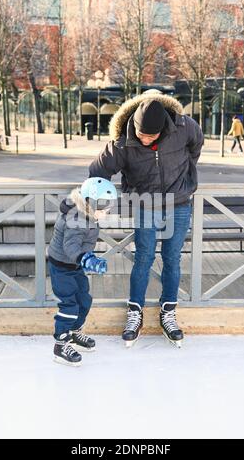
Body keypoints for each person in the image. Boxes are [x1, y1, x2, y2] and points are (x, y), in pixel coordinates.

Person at [89, 95, 204, 348]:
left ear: (163, 129)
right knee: (144, 257)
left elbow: (196, 146)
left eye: (150, 136)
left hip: (179, 204)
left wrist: (187, 174)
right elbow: (98, 171)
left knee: (173, 258)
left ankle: (168, 311)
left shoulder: (185, 127)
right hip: (145, 206)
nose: (144, 139)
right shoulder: (122, 143)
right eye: (141, 134)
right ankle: (135, 311)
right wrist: (98, 200)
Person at [48, 177, 117, 366]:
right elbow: (70, 247)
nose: (107, 210)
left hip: (74, 266)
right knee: (69, 305)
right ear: (90, 202)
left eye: (109, 205)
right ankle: (60, 344)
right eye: (103, 205)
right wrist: (87, 259)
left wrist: (87, 259)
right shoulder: (75, 219)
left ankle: (74, 333)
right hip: (62, 267)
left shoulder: (88, 213)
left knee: (84, 300)